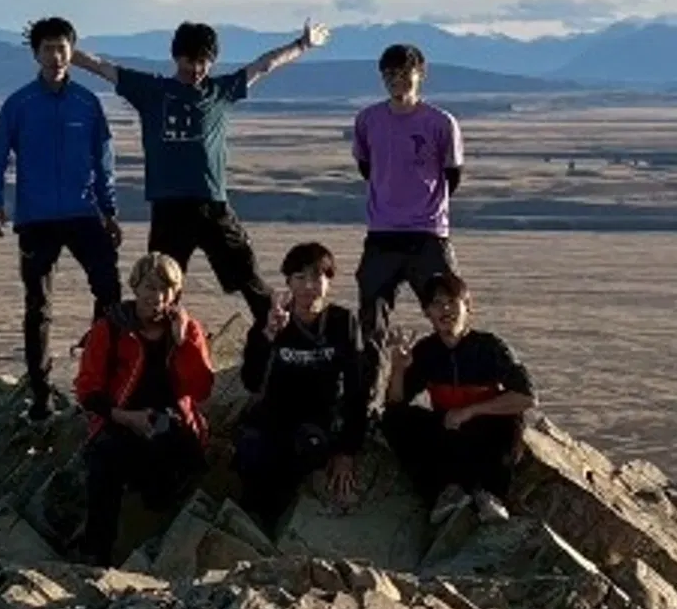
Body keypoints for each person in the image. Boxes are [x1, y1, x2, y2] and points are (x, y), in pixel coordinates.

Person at [70, 16, 327, 331]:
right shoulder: (152, 90)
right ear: (177, 57)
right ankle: (162, 355)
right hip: (169, 209)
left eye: (204, 62)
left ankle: (278, 344)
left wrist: (302, 44)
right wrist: (62, 49)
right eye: (190, 61)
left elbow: (264, 65)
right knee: (160, 286)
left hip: (213, 207)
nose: (196, 69)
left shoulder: (220, 91)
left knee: (250, 279)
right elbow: (102, 67)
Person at [0, 17, 119, 419]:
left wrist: (108, 210)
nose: (55, 56)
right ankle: (40, 393)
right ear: (36, 54)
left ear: (71, 52)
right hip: (37, 218)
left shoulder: (87, 103)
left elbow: (104, 158)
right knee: (38, 305)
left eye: (62, 48)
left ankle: (97, 376)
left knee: (109, 292)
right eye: (47, 48)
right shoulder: (20, 104)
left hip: (82, 212)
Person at [71, 250, 215, 564]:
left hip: (172, 424)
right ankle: (96, 551)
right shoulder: (110, 329)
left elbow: (201, 389)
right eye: (149, 287)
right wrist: (126, 417)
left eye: (166, 289)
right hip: (119, 421)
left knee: (170, 475)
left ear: (176, 292)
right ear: (135, 287)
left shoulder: (187, 329)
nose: (157, 296)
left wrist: (183, 345)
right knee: (104, 463)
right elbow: (87, 390)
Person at [231, 240, 373, 535]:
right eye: (300, 278)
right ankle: (252, 523)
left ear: (329, 281)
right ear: (288, 282)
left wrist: (347, 450)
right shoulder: (272, 318)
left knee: (306, 449)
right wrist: (268, 336)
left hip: (319, 417)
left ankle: (281, 523)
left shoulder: (342, 323)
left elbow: (357, 388)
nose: (309, 286)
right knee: (252, 449)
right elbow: (251, 380)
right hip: (275, 414)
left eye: (317, 278)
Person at [382, 269, 535, 505]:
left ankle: (490, 496)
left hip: (487, 430)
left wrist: (471, 411)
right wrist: (399, 369)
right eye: (436, 304)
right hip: (451, 430)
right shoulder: (426, 351)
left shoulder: (490, 348)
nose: (445, 310)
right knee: (394, 420)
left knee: (510, 423)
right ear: (426, 312)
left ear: (467, 307)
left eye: (452, 302)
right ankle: (445, 495)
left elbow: (527, 398)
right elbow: (395, 403)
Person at [350, 42, 466, 349]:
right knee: (371, 318)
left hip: (428, 233)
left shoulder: (441, 123)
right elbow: (367, 167)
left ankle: (455, 380)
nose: (396, 80)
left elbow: (452, 173)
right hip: (382, 233)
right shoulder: (367, 120)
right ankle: (373, 388)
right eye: (389, 74)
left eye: (404, 72)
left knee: (448, 309)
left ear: (420, 75)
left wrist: (424, 205)